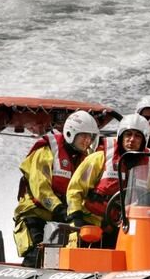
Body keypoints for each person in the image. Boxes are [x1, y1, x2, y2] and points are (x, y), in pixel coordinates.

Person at [12, 110, 99, 266]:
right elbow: (40, 188)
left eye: (90, 137)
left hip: (63, 217)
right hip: (35, 213)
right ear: (70, 133)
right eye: (84, 136)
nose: (87, 141)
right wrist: (60, 209)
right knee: (37, 254)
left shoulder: (87, 159)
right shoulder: (46, 151)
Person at [65, 113, 150, 248]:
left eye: (137, 136)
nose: (132, 140)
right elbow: (75, 190)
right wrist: (75, 218)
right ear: (120, 136)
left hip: (126, 227)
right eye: (128, 134)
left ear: (144, 140)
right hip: (91, 224)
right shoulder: (99, 158)